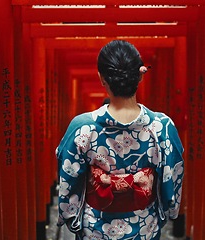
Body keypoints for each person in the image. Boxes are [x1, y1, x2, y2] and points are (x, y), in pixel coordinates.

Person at [56, 40, 184, 240]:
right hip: (144, 227)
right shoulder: (161, 126)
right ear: (140, 75)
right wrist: (169, 210)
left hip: (95, 229)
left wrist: (70, 215)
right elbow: (172, 176)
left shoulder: (83, 127)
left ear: (102, 78)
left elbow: (68, 178)